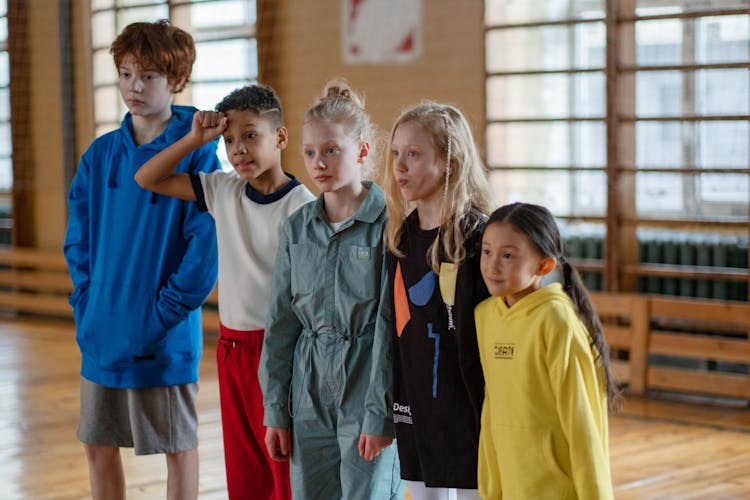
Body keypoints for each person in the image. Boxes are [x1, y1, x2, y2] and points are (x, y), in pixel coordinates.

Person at [63, 20, 219, 500]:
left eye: (148, 76)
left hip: (162, 334)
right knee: (97, 446)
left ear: (176, 80)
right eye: (126, 73)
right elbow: (78, 242)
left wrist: (163, 314)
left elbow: (204, 249)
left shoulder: (199, 157)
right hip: (102, 329)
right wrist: (87, 305)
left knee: (178, 446)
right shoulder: (100, 154)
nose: (133, 86)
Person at [135, 84, 314, 499]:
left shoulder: (304, 208)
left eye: (251, 135)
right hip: (232, 350)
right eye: (229, 140)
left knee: (283, 474)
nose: (239, 150)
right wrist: (197, 139)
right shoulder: (222, 190)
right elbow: (147, 177)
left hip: (282, 355)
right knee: (244, 473)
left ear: (280, 138)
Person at [258, 81, 404, 500]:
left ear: (361, 151)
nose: (317, 162)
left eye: (331, 150)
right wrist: (276, 412)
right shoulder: (297, 228)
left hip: (367, 391)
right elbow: (281, 325)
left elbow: (389, 328)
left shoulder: (390, 226)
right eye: (308, 152)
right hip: (308, 397)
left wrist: (380, 415)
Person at [380, 102, 494, 499]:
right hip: (415, 406)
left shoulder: (480, 238)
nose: (400, 166)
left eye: (413, 154)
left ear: (449, 161)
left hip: (468, 408)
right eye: (396, 154)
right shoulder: (400, 238)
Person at [475, 202, 621, 499]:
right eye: (487, 251)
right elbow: (493, 408)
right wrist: (491, 488)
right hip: (512, 487)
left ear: (544, 266)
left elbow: (583, 424)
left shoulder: (557, 321)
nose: (492, 266)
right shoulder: (485, 316)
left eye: (508, 256)